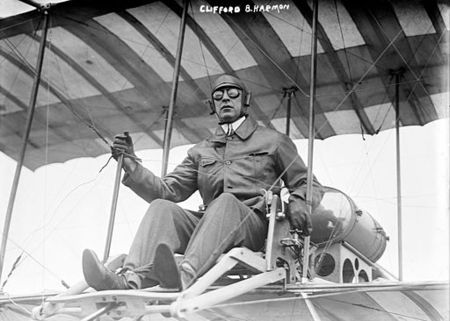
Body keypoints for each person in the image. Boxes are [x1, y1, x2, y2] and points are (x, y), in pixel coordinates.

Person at [82, 74, 323, 291]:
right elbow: (167, 191)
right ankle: (129, 279)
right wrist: (131, 165)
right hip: (209, 226)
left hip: (253, 227)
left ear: (245, 100)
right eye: (218, 97)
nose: (225, 99)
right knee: (161, 207)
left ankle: (184, 275)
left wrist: (300, 201)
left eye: (232, 94)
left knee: (226, 202)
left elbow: (307, 183)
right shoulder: (202, 150)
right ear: (212, 106)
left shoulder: (274, 141)